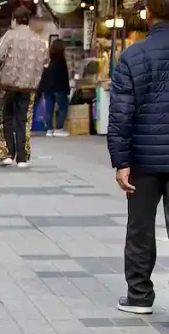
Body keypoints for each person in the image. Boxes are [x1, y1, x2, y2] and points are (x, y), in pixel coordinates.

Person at [108, 0, 169, 314]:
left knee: (140, 228)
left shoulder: (133, 55)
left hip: (143, 158)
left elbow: (121, 114)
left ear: (149, 14)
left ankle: (140, 295)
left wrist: (121, 161)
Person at [0, 7, 48, 167]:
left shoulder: (10, 36)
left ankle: (7, 154)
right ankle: (22, 157)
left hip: (7, 85)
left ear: (14, 20)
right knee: (23, 120)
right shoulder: (38, 39)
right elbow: (46, 61)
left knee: (6, 119)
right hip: (28, 86)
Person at [39, 39, 71, 137]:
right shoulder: (61, 60)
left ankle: (49, 130)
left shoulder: (49, 59)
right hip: (59, 87)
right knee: (63, 108)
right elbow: (64, 76)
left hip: (47, 88)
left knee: (49, 109)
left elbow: (44, 74)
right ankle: (59, 128)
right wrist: (67, 89)